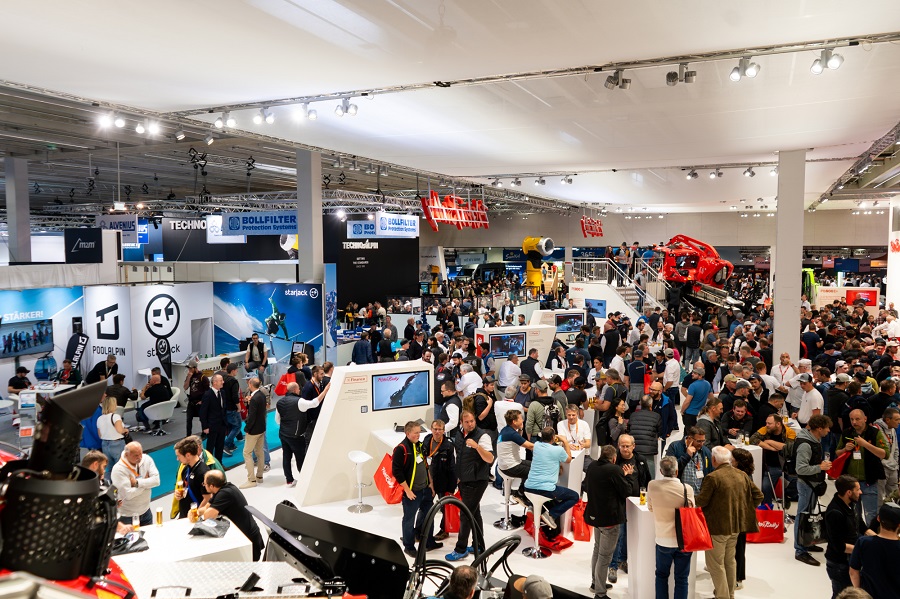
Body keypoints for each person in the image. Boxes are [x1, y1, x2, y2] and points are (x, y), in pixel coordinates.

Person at [695, 446, 764, 599]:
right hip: (736, 527)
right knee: (729, 561)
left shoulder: (713, 477)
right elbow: (759, 496)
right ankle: (730, 594)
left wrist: (689, 497)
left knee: (715, 564)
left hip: (717, 528)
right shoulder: (742, 475)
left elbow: (701, 501)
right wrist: (744, 509)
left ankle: (722, 596)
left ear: (714, 460)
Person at [585, 445, 633, 599]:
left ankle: (595, 583)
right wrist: (627, 476)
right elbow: (626, 491)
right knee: (605, 556)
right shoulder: (614, 470)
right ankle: (600, 593)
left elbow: (585, 485)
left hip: (595, 516)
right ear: (614, 458)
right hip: (609, 519)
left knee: (597, 550)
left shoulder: (592, 466)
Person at [446, 411, 494, 562]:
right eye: (467, 422)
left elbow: (490, 458)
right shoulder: (460, 434)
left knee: (466, 514)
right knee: (474, 513)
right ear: (461, 423)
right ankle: (478, 545)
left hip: (477, 481)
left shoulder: (483, 436)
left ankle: (460, 549)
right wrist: (458, 476)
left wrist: (477, 447)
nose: (470, 424)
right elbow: (459, 457)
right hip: (464, 481)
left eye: (472, 421)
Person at [647, 456, 694, 599]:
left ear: (661, 471)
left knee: (661, 575)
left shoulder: (652, 485)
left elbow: (650, 508)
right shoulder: (687, 489)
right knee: (682, 578)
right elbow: (691, 510)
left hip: (663, 539)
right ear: (677, 471)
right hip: (684, 540)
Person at [609, 433, 653, 583]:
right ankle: (612, 566)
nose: (625, 449)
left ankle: (622, 560)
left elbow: (647, 479)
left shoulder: (640, 460)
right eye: (622, 446)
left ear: (633, 446)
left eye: (627, 446)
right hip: (619, 502)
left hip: (636, 503)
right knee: (618, 534)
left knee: (630, 533)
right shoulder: (614, 460)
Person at [393, 421, 440, 557]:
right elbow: (397, 472)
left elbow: (425, 465)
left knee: (428, 515)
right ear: (408, 433)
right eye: (416, 433)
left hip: (425, 489)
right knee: (409, 519)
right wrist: (407, 490)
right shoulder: (401, 449)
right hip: (412, 492)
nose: (419, 435)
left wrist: (430, 483)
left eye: (419, 432)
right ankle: (409, 546)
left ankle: (428, 541)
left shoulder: (420, 446)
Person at [793, 414, 834, 566]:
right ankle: (800, 550)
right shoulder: (806, 444)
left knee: (809, 515)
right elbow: (800, 469)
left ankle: (807, 542)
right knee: (803, 516)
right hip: (806, 484)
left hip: (812, 483)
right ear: (819, 428)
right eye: (827, 428)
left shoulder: (815, 440)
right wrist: (820, 467)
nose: (829, 431)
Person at [199, 470, 266, 561]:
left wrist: (203, 512)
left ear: (211, 486)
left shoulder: (224, 494)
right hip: (244, 535)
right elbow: (206, 508)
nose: (204, 485)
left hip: (248, 540)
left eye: (205, 484)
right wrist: (196, 512)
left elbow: (208, 516)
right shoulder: (220, 489)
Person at [837, 409, 888, 525]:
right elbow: (837, 452)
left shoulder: (875, 433)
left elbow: (884, 454)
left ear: (865, 419)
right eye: (852, 419)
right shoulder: (847, 433)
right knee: (854, 514)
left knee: (871, 514)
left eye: (857, 419)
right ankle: (857, 535)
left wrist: (865, 444)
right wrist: (845, 449)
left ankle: (872, 535)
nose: (854, 422)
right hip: (851, 483)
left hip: (869, 481)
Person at [523, 427, 578, 531]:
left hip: (528, 487)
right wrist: (565, 441)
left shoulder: (537, 446)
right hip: (545, 490)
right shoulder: (558, 450)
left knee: (539, 493)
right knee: (574, 496)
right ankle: (551, 515)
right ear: (553, 437)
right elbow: (568, 459)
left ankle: (532, 506)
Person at [825, 475, 870, 599]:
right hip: (839, 565)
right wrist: (863, 549)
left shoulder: (853, 503)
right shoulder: (835, 513)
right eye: (858, 489)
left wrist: (878, 539)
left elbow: (862, 526)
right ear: (849, 492)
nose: (861, 492)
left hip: (850, 559)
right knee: (841, 595)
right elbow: (839, 546)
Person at [849, 502, 900, 597]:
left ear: (878, 519)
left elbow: (853, 572)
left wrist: (859, 593)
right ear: (899, 525)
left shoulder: (863, 542)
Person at [750, 413, 797, 505]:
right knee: (765, 487)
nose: (767, 425)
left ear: (778, 424)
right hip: (771, 466)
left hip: (787, 465)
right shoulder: (765, 429)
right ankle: (767, 507)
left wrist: (769, 441)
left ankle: (786, 495)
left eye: (769, 423)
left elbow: (788, 448)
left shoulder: (790, 432)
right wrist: (771, 448)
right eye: (766, 423)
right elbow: (753, 439)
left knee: (798, 482)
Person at [110, 441, 160, 527]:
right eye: (136, 455)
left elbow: (156, 481)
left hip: (146, 511)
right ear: (127, 455)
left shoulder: (146, 459)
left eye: (140, 453)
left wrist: (137, 483)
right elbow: (128, 495)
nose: (140, 457)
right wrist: (147, 483)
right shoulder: (118, 470)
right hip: (128, 516)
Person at [424, 419, 456, 542]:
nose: (437, 432)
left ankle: (444, 530)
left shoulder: (449, 446)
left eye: (440, 429)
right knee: (425, 507)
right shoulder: (427, 440)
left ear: (444, 431)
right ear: (431, 429)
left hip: (443, 482)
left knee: (444, 508)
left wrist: (452, 487)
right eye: (435, 429)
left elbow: (453, 468)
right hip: (428, 480)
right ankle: (421, 531)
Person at [730, 448, 756, 590]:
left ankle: (737, 577)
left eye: (732, 458)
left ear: (738, 462)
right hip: (740, 515)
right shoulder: (747, 475)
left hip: (738, 516)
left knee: (738, 547)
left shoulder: (742, 477)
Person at [277, 382, 308, 487]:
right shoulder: (299, 401)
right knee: (300, 458)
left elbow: (277, 420)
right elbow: (314, 403)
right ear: (295, 390)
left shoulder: (280, 402)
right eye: (298, 389)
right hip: (295, 435)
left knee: (286, 457)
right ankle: (304, 480)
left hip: (283, 434)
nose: (299, 390)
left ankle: (289, 480)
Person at [666, 426, 713, 495]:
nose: (701, 444)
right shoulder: (675, 446)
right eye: (699, 441)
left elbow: (710, 471)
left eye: (703, 441)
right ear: (690, 438)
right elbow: (669, 468)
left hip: (699, 495)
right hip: (680, 494)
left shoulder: (705, 451)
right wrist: (687, 456)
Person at [173, 436, 212, 518]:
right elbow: (187, 487)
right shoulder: (186, 468)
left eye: (179, 456)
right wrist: (179, 493)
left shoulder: (203, 473)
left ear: (188, 455)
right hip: (184, 514)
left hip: (194, 517)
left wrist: (197, 514)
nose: (177, 459)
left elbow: (208, 498)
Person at [241, 377, 267, 488]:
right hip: (261, 428)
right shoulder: (261, 395)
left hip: (254, 430)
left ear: (250, 384)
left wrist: (247, 429)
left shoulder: (255, 399)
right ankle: (259, 476)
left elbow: (251, 417)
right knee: (260, 452)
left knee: (247, 453)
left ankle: (251, 480)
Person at [629, 395, 662, 475]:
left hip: (635, 449)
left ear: (640, 403)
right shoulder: (656, 416)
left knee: (634, 475)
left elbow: (629, 430)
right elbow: (660, 432)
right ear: (651, 404)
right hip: (649, 450)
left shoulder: (633, 415)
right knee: (649, 475)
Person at [97, 395, 128, 480]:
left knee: (109, 468)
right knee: (121, 466)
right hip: (117, 443)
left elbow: (100, 435)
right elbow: (119, 430)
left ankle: (109, 483)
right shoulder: (115, 416)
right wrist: (125, 430)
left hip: (105, 444)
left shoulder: (99, 418)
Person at [874, 407, 900, 507]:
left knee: (894, 495)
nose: (899, 422)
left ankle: (894, 514)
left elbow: (895, 448)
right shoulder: (876, 429)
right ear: (888, 420)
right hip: (881, 468)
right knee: (879, 496)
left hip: (893, 468)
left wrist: (895, 463)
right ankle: (879, 515)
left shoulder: (893, 430)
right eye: (897, 419)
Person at [183, 359, 209, 437]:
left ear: (195, 368)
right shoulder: (190, 376)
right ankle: (188, 435)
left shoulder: (203, 377)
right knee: (189, 419)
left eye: (191, 368)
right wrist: (188, 377)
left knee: (202, 419)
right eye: (189, 368)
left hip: (200, 401)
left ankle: (204, 433)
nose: (189, 370)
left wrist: (203, 401)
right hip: (191, 401)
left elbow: (208, 391)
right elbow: (185, 387)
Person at [222, 362, 242, 456]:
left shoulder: (223, 379)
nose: (237, 371)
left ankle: (231, 445)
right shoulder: (234, 381)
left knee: (230, 426)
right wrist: (239, 406)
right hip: (232, 408)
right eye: (236, 370)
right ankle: (226, 444)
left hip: (225, 407)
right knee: (237, 426)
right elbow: (235, 396)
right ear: (233, 371)